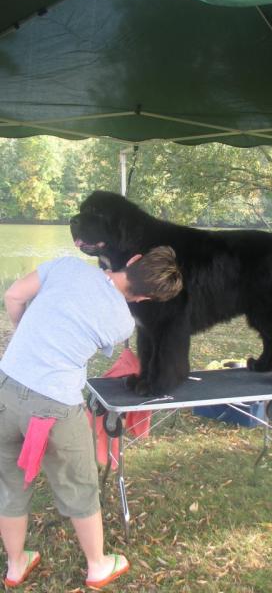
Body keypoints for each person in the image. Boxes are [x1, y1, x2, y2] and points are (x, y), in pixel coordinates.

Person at [0, 246, 183, 589]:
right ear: (144, 298)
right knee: (80, 486)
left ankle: (14, 565)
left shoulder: (68, 265)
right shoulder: (122, 322)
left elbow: (13, 295)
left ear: (132, 261)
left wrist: (28, 336)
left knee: (8, 481)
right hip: (55, 406)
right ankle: (97, 566)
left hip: (6, 386)